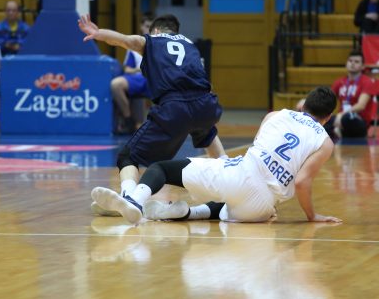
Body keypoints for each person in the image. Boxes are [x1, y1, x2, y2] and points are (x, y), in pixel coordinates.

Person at [90, 86, 343, 225]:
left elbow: (260, 147)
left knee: (162, 169)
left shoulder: (276, 115)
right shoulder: (325, 142)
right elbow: (301, 182)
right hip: (262, 207)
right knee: (230, 204)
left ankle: (135, 201)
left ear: (303, 104)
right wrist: (312, 217)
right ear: (328, 117)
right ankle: (187, 213)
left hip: (240, 175)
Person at [78, 13, 226, 215]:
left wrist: (99, 33)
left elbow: (126, 40)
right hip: (206, 104)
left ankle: (128, 198)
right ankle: (232, 182)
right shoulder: (190, 45)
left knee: (127, 156)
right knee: (208, 135)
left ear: (155, 30)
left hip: (175, 107)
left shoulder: (153, 40)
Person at [112, 14, 152, 134]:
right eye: (147, 26)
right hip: (138, 78)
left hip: (154, 79)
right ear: (141, 27)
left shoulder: (161, 45)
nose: (149, 29)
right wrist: (139, 70)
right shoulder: (133, 46)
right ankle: (129, 120)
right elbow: (128, 70)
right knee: (116, 85)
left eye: (152, 27)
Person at [328, 50, 376, 138]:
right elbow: (327, 100)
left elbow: (361, 105)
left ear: (362, 66)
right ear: (346, 63)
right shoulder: (339, 82)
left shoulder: (367, 82)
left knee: (347, 119)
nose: (352, 63)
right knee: (324, 120)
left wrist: (342, 114)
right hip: (341, 118)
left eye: (356, 62)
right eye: (350, 61)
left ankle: (338, 130)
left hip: (359, 120)